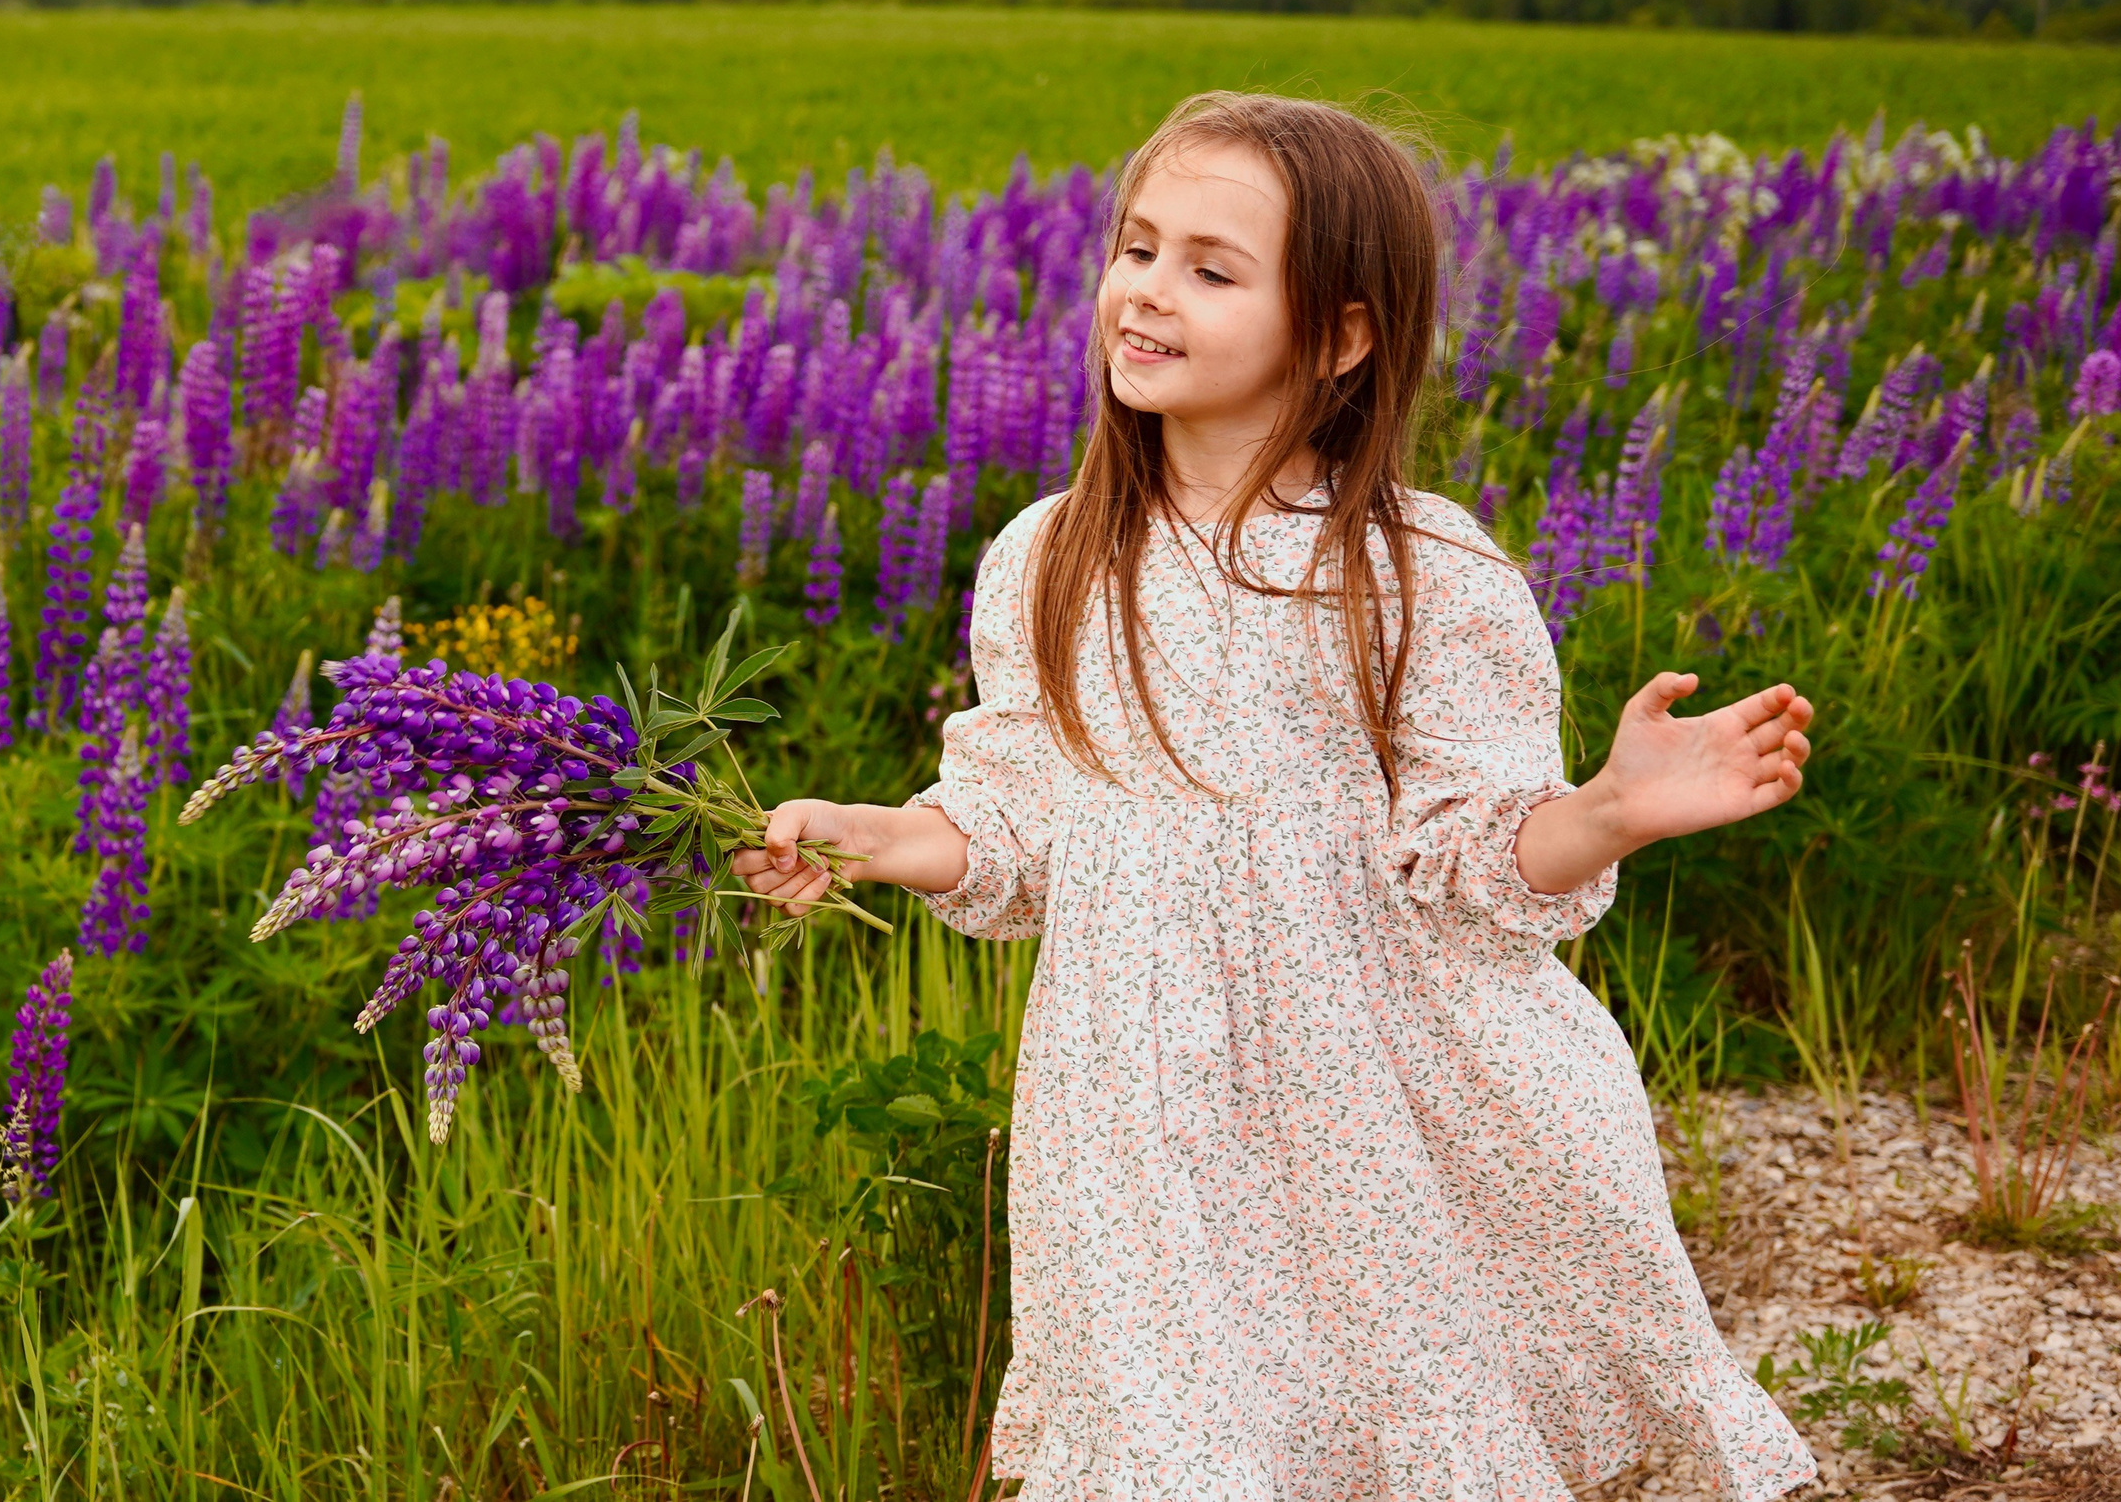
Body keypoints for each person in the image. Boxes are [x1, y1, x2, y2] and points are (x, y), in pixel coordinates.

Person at [731, 92, 1820, 1501]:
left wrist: (1611, 809)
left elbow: (1478, 853)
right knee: (1186, 1439)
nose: (1147, 291)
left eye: (1211, 269)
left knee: (1386, 1425)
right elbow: (1016, 827)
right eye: (1137, 249)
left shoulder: (1417, 570)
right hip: (1141, 1100)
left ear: (1340, 336)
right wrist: (866, 838)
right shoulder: (1049, 558)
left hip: (1375, 1103)